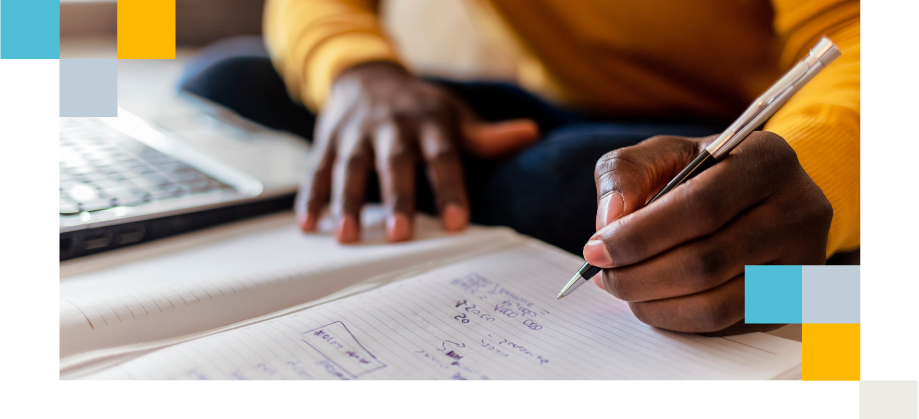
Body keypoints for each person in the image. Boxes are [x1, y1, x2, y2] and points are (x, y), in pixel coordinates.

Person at [182, 0, 860, 335]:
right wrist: (359, 75)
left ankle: (824, 286)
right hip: (556, 109)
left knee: (570, 178)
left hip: (743, 129)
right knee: (229, 81)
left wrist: (811, 167)